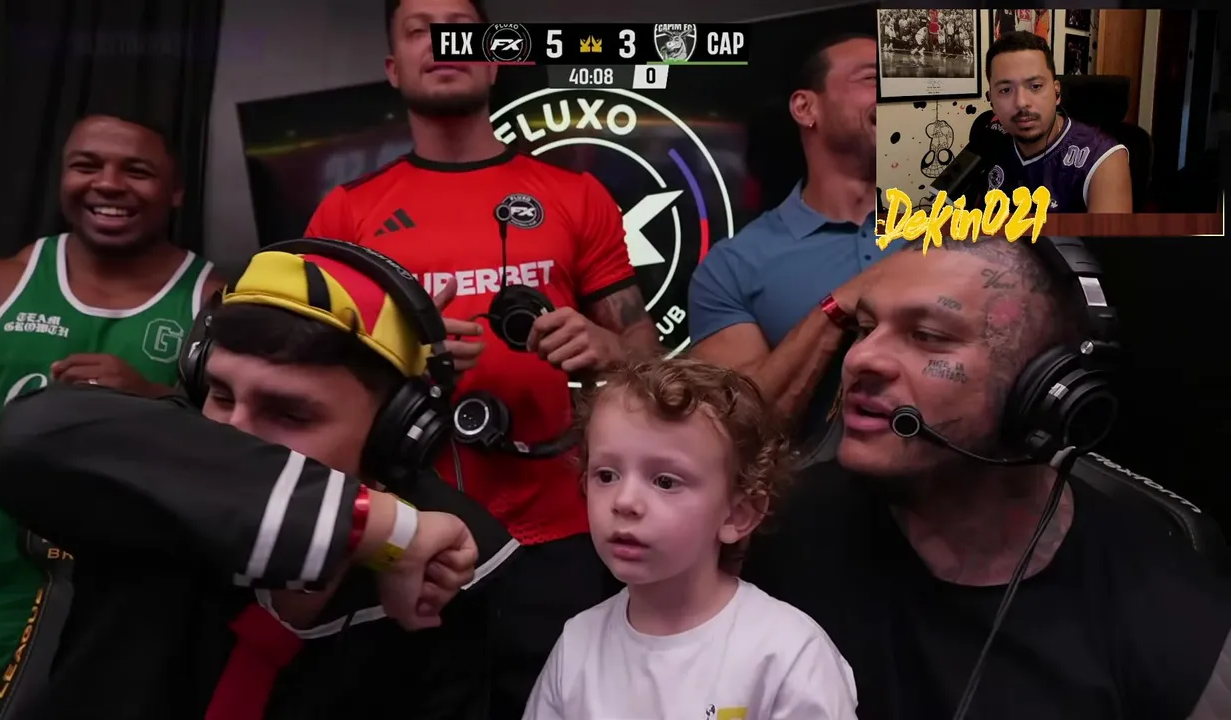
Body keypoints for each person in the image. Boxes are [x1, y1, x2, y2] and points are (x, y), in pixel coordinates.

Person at [0, 239, 520, 719]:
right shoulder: (150, 476)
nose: (232, 435)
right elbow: (29, 435)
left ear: (395, 435)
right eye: (220, 396)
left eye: (288, 414)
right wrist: (382, 531)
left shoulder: (459, 567)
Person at [304, 0, 660, 714]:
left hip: (560, 533)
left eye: (461, 29)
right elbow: (309, 377)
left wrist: (606, 348)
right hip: (408, 534)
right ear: (393, 67)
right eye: (420, 30)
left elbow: (646, 358)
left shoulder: (575, 195)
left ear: (495, 61)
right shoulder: (347, 211)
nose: (443, 43)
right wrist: (405, 356)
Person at [741, 236, 1231, 719]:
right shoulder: (767, 529)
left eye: (927, 335)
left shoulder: (1170, 613)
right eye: (866, 328)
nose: (861, 358)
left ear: (1044, 388)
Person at [0, 110, 223, 718]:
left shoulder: (219, 307)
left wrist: (153, 403)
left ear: (176, 190)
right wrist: (0, 445)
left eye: (137, 171)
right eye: (86, 165)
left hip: (127, 635)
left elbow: (252, 461)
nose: (108, 183)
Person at [523, 358, 858, 720]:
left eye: (665, 481)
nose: (624, 501)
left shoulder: (786, 655)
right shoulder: (577, 646)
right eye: (606, 475)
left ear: (737, 514)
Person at [689, 33, 884, 441]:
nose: (895, 94)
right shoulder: (733, 266)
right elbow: (738, 429)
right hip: (813, 482)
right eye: (873, 78)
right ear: (806, 108)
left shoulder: (958, 229)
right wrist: (839, 306)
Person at [982, 31, 1132, 213]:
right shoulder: (988, 142)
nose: (1021, 102)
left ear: (1057, 93)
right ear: (991, 100)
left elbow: (1109, 233)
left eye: (1035, 86)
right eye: (1006, 90)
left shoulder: (1102, 158)